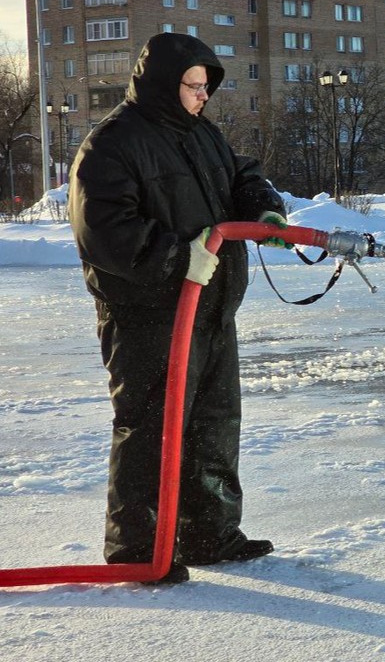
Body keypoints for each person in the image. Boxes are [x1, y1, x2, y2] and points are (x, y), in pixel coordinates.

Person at [68, 33, 288, 584]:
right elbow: (102, 228)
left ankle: (208, 532)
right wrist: (176, 256)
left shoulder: (201, 135)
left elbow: (242, 175)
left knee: (214, 424)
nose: (201, 97)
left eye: (206, 88)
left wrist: (265, 209)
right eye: (193, 86)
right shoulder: (113, 143)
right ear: (165, 84)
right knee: (150, 429)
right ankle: (140, 550)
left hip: (211, 309)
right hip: (147, 315)